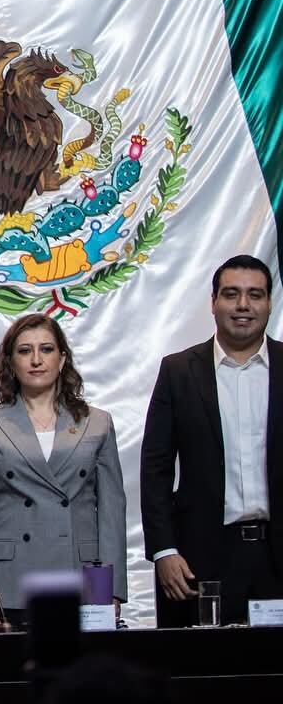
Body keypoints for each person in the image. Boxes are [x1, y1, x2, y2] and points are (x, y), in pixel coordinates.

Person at [0, 314, 126, 631]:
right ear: (10, 361)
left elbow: (112, 511)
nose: (36, 360)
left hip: (82, 580)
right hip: (8, 583)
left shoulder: (98, 422)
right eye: (24, 351)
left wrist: (112, 589)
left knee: (79, 678)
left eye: (46, 349)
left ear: (62, 359)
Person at [141, 253, 283, 625]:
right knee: (204, 676)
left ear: (269, 302)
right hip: (201, 558)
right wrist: (163, 550)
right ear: (213, 302)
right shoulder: (178, 371)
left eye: (255, 295)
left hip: (277, 555)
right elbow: (154, 470)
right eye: (231, 294)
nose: (243, 305)